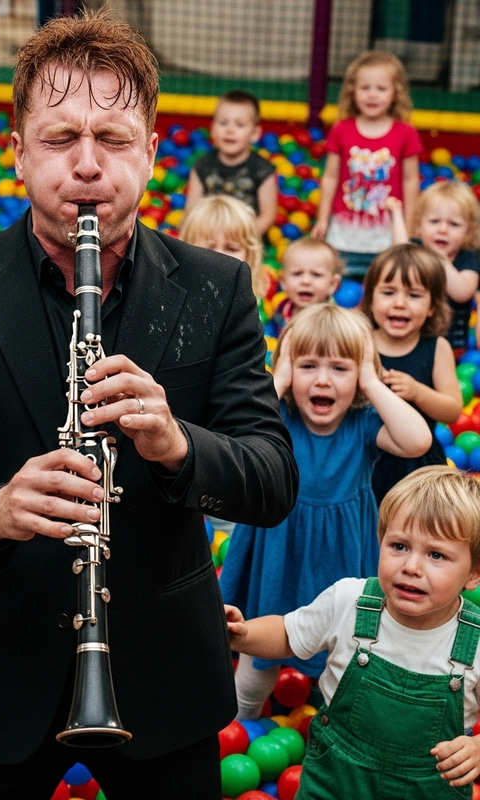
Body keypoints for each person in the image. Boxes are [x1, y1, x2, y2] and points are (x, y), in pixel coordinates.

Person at [0, 10, 298, 799]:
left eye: (113, 138)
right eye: (60, 138)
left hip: (162, 673)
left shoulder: (218, 288)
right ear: (18, 155)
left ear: (152, 152)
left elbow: (271, 479)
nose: (87, 165)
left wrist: (177, 444)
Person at [219, 303, 431, 720]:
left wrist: (371, 381)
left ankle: (338, 724)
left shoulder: (363, 425)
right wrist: (277, 377)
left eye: (339, 368)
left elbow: (417, 441)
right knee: (257, 658)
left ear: (360, 376)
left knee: (347, 647)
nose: (321, 379)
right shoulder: (276, 416)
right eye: (308, 365)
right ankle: (237, 722)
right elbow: (227, 436)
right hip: (277, 554)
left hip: (341, 560)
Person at [226, 464, 480, 799]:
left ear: (473, 574)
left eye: (436, 555)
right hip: (334, 782)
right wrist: (241, 633)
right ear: (380, 541)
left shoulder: (475, 642)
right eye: (399, 546)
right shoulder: (350, 600)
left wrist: (476, 747)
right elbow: (287, 633)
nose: (411, 567)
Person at [359, 243, 462, 505]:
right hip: (366, 460)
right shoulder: (360, 343)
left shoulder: (436, 348)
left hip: (418, 467)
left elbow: (452, 410)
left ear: (432, 307)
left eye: (414, 295)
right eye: (388, 292)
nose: (400, 303)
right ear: (370, 300)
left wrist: (418, 391)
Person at [311, 51, 422, 280]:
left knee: (384, 281)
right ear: (352, 91)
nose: (372, 95)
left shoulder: (405, 132)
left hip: (386, 233)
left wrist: (409, 224)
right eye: (365, 88)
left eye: (381, 89)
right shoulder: (342, 129)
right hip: (344, 233)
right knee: (339, 282)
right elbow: (330, 176)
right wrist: (323, 218)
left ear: (395, 93)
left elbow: (410, 180)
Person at [388, 184, 480, 357]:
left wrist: (441, 261)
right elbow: (400, 251)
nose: (442, 230)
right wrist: (396, 214)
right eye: (434, 221)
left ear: (468, 233)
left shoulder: (467, 258)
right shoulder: (418, 250)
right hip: (413, 341)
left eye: (454, 224)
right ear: (420, 226)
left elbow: (463, 292)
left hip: (452, 346)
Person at [184, 90, 277, 235]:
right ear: (213, 129)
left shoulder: (262, 169)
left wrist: (243, 239)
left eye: (240, 125)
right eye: (223, 123)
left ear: (254, 134)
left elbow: (267, 216)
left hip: (246, 236)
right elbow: (191, 211)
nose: (230, 130)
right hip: (209, 234)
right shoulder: (202, 165)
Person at [178, 193, 266, 300]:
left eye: (231, 248)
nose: (220, 256)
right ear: (186, 252)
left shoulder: (254, 304)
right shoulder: (178, 299)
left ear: (250, 255)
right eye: (208, 248)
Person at [271, 237, 343, 332]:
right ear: (283, 281)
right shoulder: (281, 311)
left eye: (316, 275)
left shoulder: (335, 321)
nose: (305, 281)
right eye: (297, 273)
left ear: (333, 284)